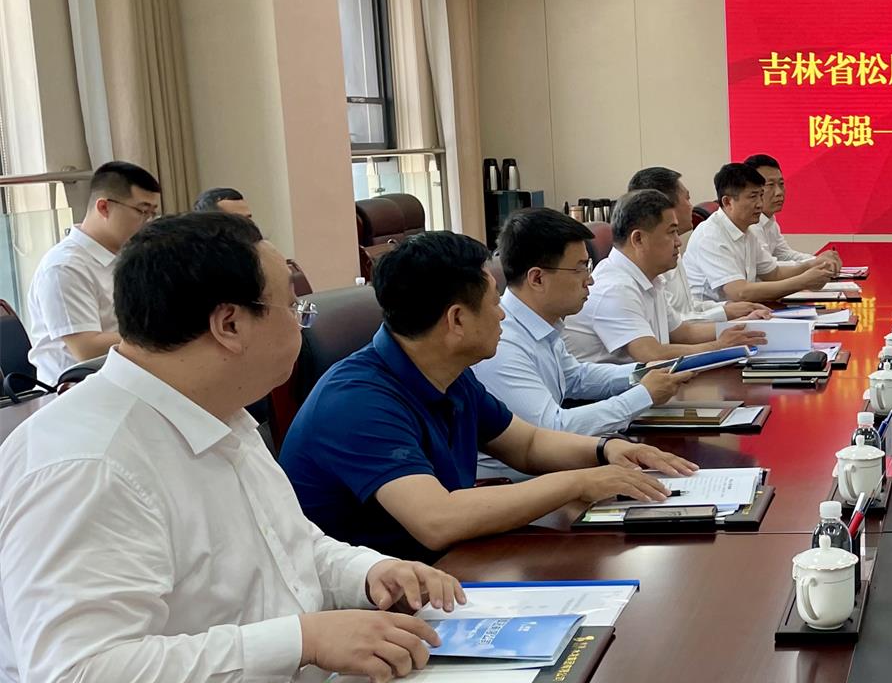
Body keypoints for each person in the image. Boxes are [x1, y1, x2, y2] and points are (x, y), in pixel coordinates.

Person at [0, 213, 463, 683]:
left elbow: (290, 544)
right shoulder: (89, 464)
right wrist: (302, 639)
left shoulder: (219, 412)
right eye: (292, 307)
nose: (302, 322)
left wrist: (367, 571)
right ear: (229, 325)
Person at [279, 231, 698, 562]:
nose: (502, 313)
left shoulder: (450, 373)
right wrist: (579, 481)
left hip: (449, 566)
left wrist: (606, 450)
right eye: (494, 301)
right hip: (376, 603)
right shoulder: (357, 402)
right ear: (457, 320)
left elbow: (527, 444)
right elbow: (437, 520)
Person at [475, 208, 699, 481]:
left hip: (558, 474)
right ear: (537, 278)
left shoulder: (541, 323)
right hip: (517, 487)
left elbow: (576, 377)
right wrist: (643, 394)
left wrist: (645, 371)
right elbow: (552, 429)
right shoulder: (502, 343)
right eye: (581, 268)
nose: (590, 279)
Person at [563, 188, 769, 365]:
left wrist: (742, 325)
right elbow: (651, 354)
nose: (678, 242)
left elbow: (682, 332)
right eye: (671, 232)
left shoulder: (649, 277)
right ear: (638, 239)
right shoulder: (615, 287)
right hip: (608, 396)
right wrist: (719, 346)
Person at [25, 161, 161, 383]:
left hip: (126, 376)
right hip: (74, 389)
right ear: (104, 207)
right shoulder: (65, 267)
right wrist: (163, 334)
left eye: (153, 214)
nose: (148, 222)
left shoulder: (127, 256)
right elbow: (87, 349)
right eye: (142, 211)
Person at [625, 166, 771, 327]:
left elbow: (686, 308)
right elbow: (674, 327)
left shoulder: (671, 249)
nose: (691, 206)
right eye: (687, 199)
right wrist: (730, 321)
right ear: (662, 206)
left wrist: (728, 309)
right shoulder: (627, 280)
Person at [682, 162, 835, 305]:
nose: (760, 204)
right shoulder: (710, 235)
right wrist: (803, 282)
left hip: (744, 313)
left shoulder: (747, 230)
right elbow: (740, 293)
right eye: (752, 197)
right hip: (711, 319)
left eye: (761, 195)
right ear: (728, 202)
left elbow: (773, 273)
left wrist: (812, 264)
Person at [744, 153, 839, 272]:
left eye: (781, 184)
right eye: (770, 185)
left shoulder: (769, 220)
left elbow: (784, 255)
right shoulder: (750, 224)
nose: (779, 192)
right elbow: (766, 268)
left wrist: (818, 260)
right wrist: (813, 264)